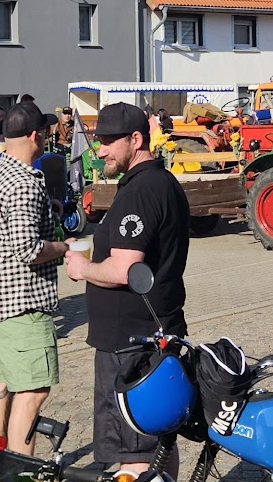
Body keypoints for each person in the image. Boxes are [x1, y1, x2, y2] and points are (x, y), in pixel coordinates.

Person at [66, 102, 191, 478]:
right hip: (156, 331)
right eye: (98, 140)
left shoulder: (140, 191)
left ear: (136, 139)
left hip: (130, 344)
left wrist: (82, 268)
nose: (100, 149)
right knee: (159, 442)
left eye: (108, 141)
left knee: (134, 451)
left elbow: (124, 269)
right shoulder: (162, 182)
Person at [0, 101, 67, 456]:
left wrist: (48, 212)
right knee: (33, 390)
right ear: (35, 136)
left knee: (2, 382)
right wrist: (64, 247)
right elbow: (28, 249)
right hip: (21, 304)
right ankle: (18, 468)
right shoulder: (25, 182)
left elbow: (1, 226)